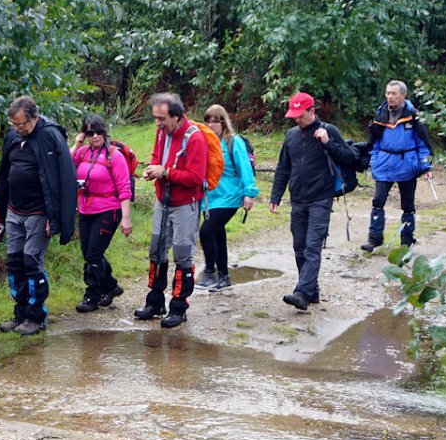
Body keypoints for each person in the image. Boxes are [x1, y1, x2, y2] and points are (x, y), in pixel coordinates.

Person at [0, 95, 77, 336]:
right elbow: (4, 172)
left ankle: (36, 316)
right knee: (15, 262)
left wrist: (54, 218)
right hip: (14, 210)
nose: (17, 129)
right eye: (13, 124)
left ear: (34, 117)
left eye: (21, 124)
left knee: (31, 262)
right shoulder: (13, 137)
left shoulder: (49, 137)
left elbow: (62, 180)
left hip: (38, 212)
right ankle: (21, 313)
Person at [268, 92, 356, 311]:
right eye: (294, 116)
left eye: (300, 115)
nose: (297, 119)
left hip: (321, 199)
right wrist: (275, 196)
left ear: (312, 111)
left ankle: (302, 293)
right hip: (297, 199)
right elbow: (283, 168)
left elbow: (349, 158)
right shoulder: (291, 136)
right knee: (299, 247)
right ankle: (312, 290)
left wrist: (327, 143)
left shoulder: (329, 131)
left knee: (312, 247)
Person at [135, 93, 208, 329]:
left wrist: (165, 173)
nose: (157, 123)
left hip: (185, 204)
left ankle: (178, 308)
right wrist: (151, 170)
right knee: (156, 251)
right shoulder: (161, 133)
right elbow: (157, 158)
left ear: (176, 116)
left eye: (162, 118)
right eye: (155, 118)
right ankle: (155, 303)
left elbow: (195, 177)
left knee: (183, 255)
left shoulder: (195, 139)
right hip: (163, 201)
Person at [70, 113, 133, 312]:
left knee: (93, 255)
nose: (95, 136)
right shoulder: (82, 152)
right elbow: (65, 165)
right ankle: (110, 286)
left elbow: (124, 188)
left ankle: (92, 296)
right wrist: (77, 143)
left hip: (108, 210)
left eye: (98, 132)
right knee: (88, 253)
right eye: (90, 133)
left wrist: (126, 218)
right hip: (86, 209)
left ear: (104, 132)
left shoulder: (115, 156)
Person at [362, 80, 433, 252]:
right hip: (384, 164)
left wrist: (425, 166)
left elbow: (423, 144)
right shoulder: (381, 115)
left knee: (408, 205)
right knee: (378, 201)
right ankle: (374, 239)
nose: (390, 97)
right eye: (388, 93)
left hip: (407, 165)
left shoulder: (413, 117)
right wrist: (374, 160)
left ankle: (406, 240)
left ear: (403, 95)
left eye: (394, 93)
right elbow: (374, 142)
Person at [196, 104, 258, 291]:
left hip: (229, 197)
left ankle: (209, 272)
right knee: (217, 235)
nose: (210, 125)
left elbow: (244, 168)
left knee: (206, 231)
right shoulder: (205, 143)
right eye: (207, 121)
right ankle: (224, 277)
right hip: (209, 198)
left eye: (214, 121)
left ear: (223, 122)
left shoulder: (233, 142)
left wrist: (249, 193)